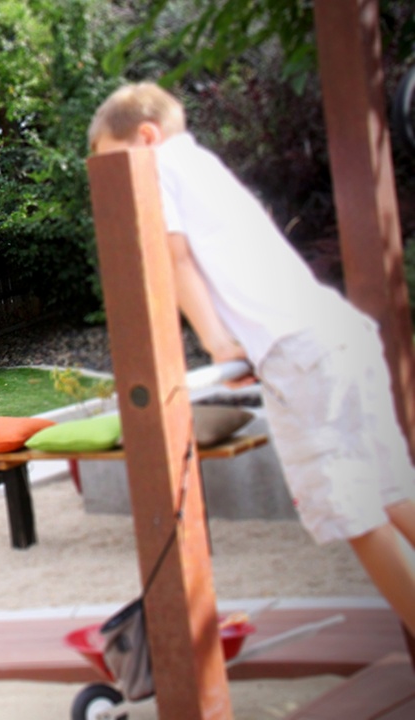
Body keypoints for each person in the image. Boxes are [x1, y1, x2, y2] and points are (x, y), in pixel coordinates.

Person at [87, 82, 415, 636]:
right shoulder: (207, 167)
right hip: (336, 335)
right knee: (392, 490)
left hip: (301, 353)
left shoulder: (159, 166)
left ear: (145, 136)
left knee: (354, 514)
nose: (114, 182)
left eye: (112, 164)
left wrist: (217, 342)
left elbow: (177, 258)